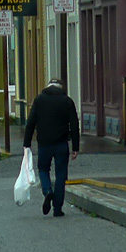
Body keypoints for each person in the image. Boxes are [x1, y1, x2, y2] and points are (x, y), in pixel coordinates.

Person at [23, 77, 80, 217]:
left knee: (43, 169)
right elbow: (74, 125)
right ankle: (57, 209)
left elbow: (30, 122)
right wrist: (75, 147)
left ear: (48, 86)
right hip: (61, 144)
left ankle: (47, 190)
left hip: (44, 143)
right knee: (61, 174)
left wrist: (27, 143)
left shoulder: (39, 100)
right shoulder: (67, 101)